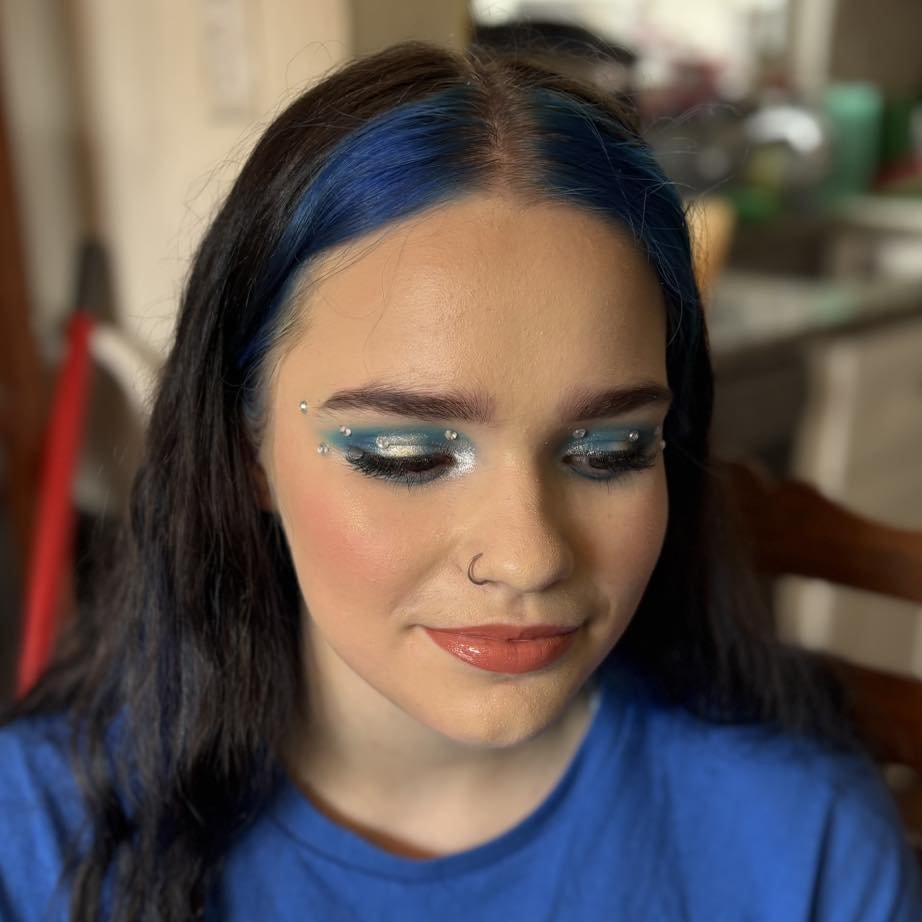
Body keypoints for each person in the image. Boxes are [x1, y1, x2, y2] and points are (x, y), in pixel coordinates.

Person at [1, 40, 920, 922]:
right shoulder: (33, 841)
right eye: (407, 456)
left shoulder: (804, 844)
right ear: (247, 454)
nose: (528, 557)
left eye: (610, 451)